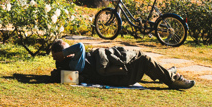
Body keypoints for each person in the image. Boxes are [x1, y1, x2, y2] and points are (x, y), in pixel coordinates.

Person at [49, 39, 194, 90]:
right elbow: (80, 46)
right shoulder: (74, 65)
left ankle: (163, 72)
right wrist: (63, 55)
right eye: (68, 49)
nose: (71, 51)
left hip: (114, 72)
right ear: (63, 54)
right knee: (143, 59)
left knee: (137, 57)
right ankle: (173, 80)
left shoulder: (70, 65)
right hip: (119, 76)